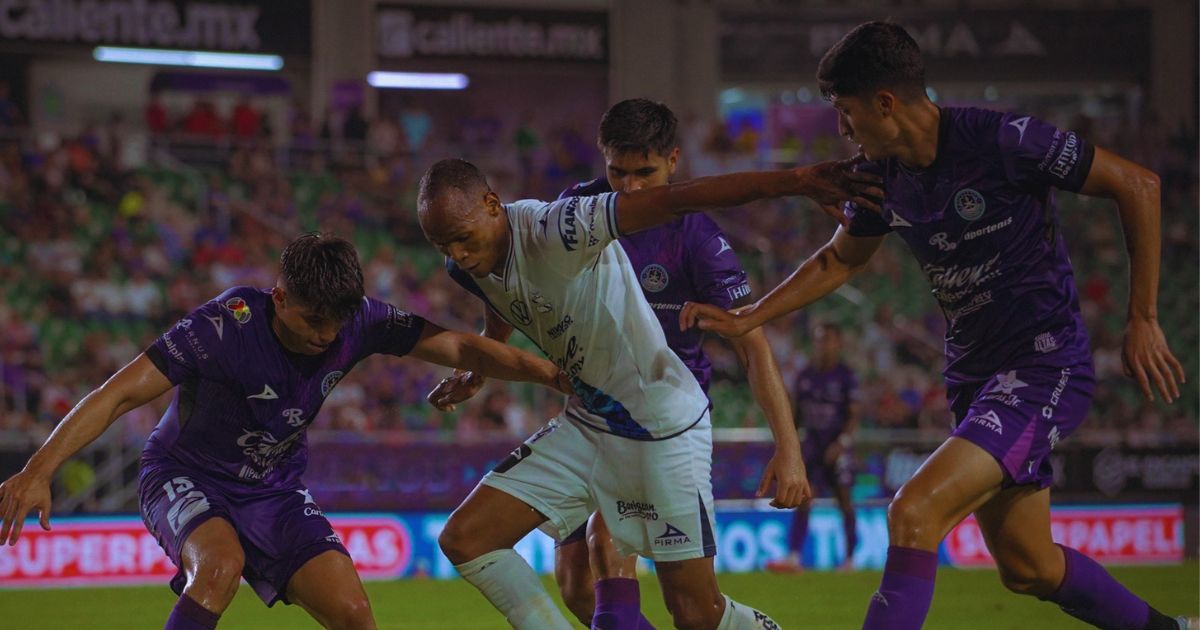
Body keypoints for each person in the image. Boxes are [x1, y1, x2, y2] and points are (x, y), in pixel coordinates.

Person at [679, 21, 1188, 630]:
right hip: (974, 378)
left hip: (1042, 365)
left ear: (885, 104)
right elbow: (840, 257)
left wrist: (1144, 318)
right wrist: (749, 317)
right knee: (1028, 567)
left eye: (845, 111)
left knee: (913, 511)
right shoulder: (882, 178)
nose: (841, 129)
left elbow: (1139, 185)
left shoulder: (1003, 139)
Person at [0, 233, 570, 630]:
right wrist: (38, 468)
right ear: (279, 297)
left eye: (336, 323)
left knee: (353, 613)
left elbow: (459, 345)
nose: (326, 337)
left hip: (273, 490)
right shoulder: (221, 328)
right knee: (218, 568)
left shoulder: (360, 320)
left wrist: (551, 374)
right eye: (311, 321)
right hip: (184, 474)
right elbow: (117, 393)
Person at [416, 155, 880, 629]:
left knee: (697, 615)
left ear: (493, 205)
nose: (457, 255)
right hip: (589, 422)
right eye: (441, 245)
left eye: (462, 239)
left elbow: (679, 198)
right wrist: (483, 364)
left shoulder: (561, 227)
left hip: (661, 426)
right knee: (467, 539)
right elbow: (505, 296)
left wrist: (796, 180)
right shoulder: (466, 262)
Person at [766, 322, 860, 573]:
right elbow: (795, 415)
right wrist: (788, 444)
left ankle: (850, 559)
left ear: (838, 343)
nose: (822, 345)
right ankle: (794, 557)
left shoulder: (846, 376)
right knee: (805, 498)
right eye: (819, 340)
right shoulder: (805, 375)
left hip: (837, 446)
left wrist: (842, 444)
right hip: (813, 446)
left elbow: (853, 416)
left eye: (827, 339)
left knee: (844, 500)